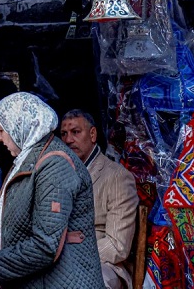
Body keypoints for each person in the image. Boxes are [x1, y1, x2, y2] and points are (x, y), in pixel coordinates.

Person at [0, 92, 104, 289]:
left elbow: (45, 246)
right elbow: (24, 215)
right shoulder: (33, 158)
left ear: (20, 126)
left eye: (1, 130)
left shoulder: (55, 165)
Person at [59, 110, 138, 289]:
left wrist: (69, 256)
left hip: (105, 265)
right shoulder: (59, 173)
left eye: (75, 132)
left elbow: (117, 245)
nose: (68, 140)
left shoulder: (117, 177)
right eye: (64, 134)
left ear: (92, 134)